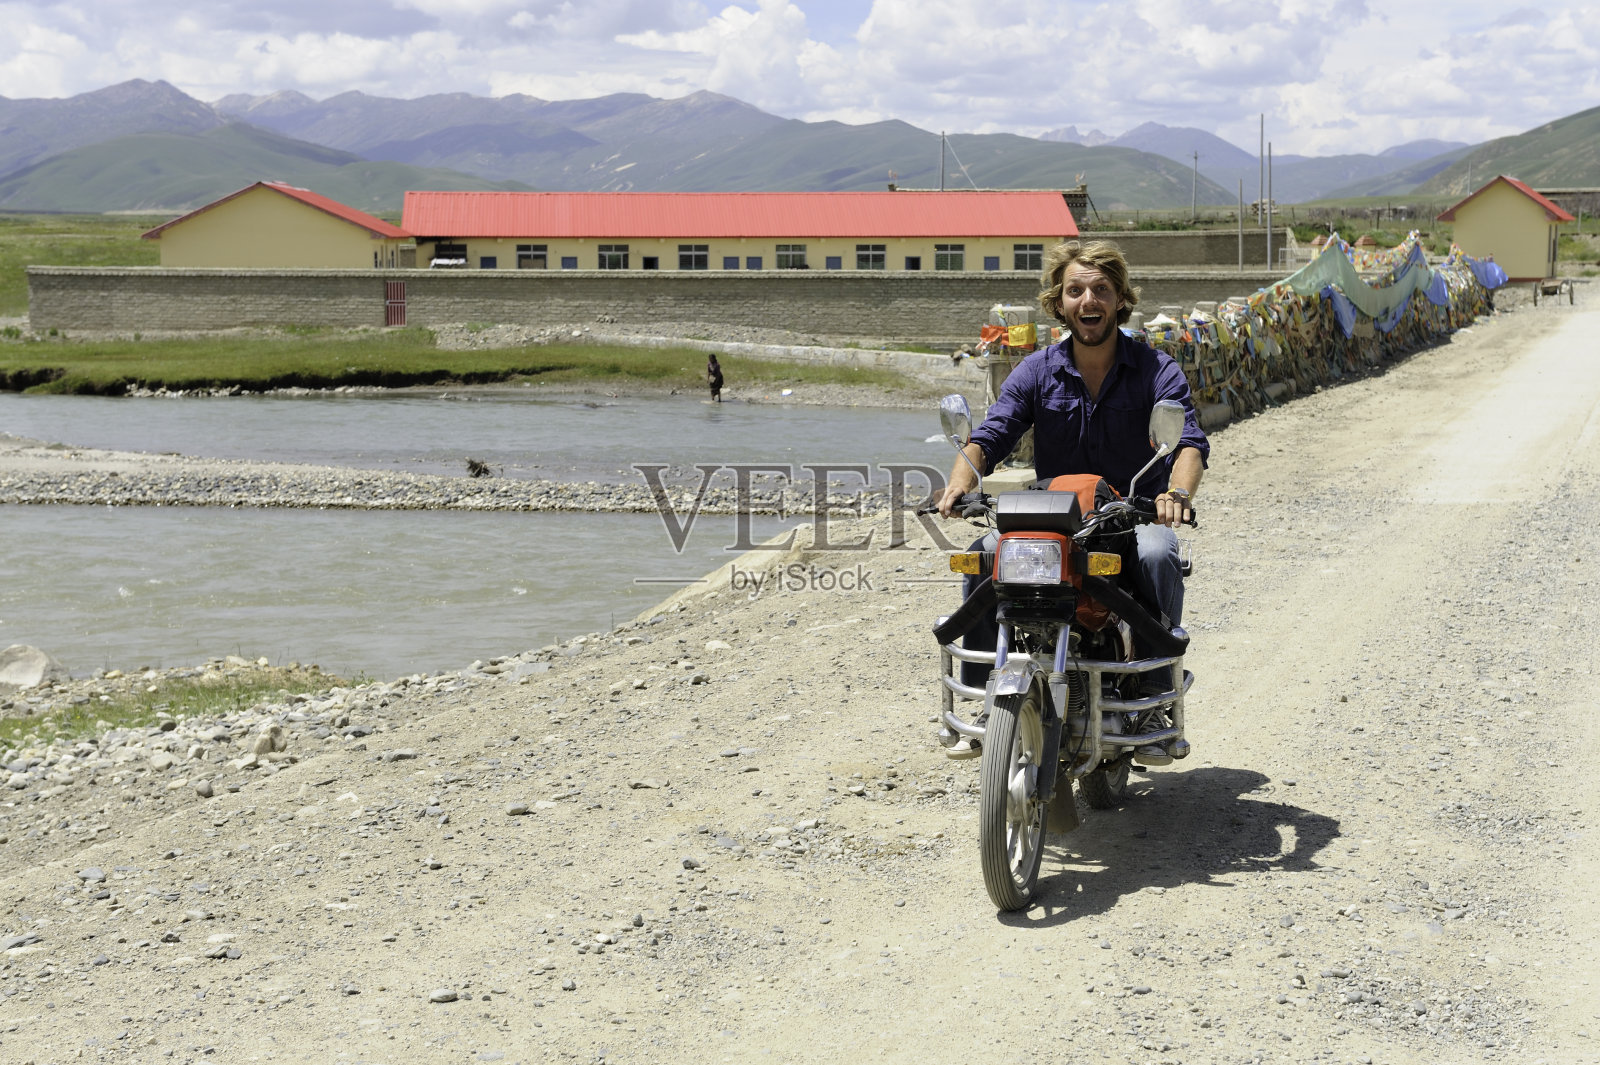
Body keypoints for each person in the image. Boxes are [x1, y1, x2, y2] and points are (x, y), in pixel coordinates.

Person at [936, 238, 1210, 760]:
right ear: (1059, 302)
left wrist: (1176, 493)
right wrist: (960, 482)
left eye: (1101, 290)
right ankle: (982, 694)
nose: (1090, 300)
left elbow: (1188, 443)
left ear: (1120, 299)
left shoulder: (1157, 370)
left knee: (1158, 554)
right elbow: (991, 435)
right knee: (986, 553)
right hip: (1056, 520)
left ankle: (1151, 697)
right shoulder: (1037, 370)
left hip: (1131, 515)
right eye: (1077, 290)